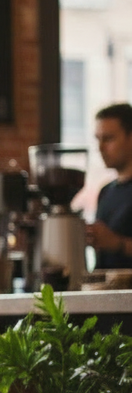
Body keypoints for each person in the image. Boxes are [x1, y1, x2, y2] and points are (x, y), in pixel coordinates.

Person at [86, 103, 132, 270]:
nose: (100, 148)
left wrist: (117, 243)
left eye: (108, 139)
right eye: (98, 139)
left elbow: (112, 243)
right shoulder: (106, 191)